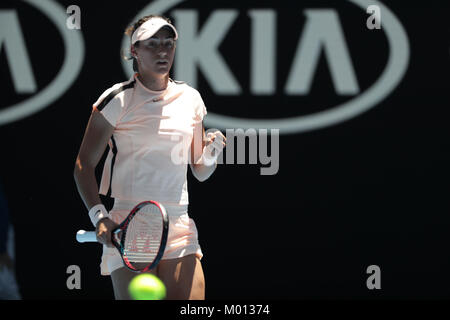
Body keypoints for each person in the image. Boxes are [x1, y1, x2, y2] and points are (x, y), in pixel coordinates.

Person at [73, 15, 225, 300]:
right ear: (135, 51)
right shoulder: (117, 100)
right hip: (130, 228)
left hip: (179, 225)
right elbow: (83, 166)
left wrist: (212, 152)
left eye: (168, 43)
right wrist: (100, 218)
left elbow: (200, 170)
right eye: (152, 44)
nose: (162, 51)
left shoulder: (190, 99)